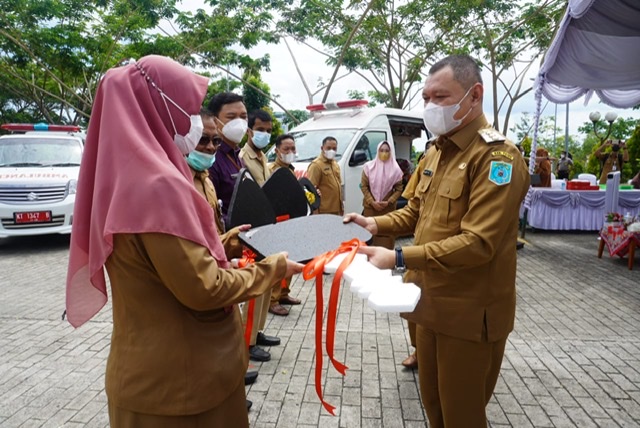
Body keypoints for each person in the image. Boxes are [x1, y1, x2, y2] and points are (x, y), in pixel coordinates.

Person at [65, 55, 303, 427]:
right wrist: (271, 269)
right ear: (158, 108)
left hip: (151, 375)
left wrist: (226, 245)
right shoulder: (158, 186)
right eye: (189, 109)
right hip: (184, 385)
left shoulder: (121, 180)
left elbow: (158, 264)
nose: (196, 121)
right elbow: (204, 287)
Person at [344, 54, 529, 428]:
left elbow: (479, 243)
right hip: (427, 304)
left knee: (462, 417)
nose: (429, 106)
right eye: (426, 97)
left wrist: (398, 258)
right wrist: (371, 221)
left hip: (468, 314)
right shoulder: (437, 152)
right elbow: (414, 212)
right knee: (435, 411)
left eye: (440, 97)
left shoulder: (497, 158)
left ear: (474, 96)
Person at [237, 109, 283, 356]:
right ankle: (248, 339)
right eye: (260, 129)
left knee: (265, 281)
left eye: (268, 130)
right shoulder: (244, 156)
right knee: (255, 283)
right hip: (250, 231)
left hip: (266, 227)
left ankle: (257, 330)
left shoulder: (262, 156)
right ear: (249, 130)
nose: (264, 134)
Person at [267, 133, 303, 315]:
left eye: (293, 149)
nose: (290, 152)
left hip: (291, 222)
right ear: (277, 151)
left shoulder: (291, 169)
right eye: (286, 149)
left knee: (290, 258)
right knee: (278, 261)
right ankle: (272, 300)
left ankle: (283, 293)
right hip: (277, 224)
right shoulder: (273, 170)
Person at [207, 92, 248, 224]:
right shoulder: (210, 158)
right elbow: (211, 209)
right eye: (231, 117)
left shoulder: (238, 155)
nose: (239, 123)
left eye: (243, 117)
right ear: (215, 121)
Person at [360, 140, 404, 249]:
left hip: (387, 209)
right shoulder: (368, 167)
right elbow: (364, 186)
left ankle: (386, 261)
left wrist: (389, 201)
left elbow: (399, 189)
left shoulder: (396, 169)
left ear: (391, 152)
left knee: (386, 236)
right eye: (381, 150)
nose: (384, 153)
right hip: (370, 208)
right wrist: (372, 202)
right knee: (369, 236)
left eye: (387, 151)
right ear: (377, 151)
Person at [307, 136, 343, 215]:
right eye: (328, 148)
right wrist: (316, 213)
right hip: (324, 212)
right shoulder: (316, 165)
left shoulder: (335, 164)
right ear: (322, 148)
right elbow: (311, 190)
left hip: (337, 210)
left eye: (334, 148)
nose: (331, 151)